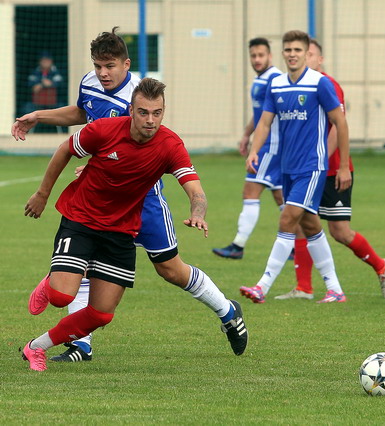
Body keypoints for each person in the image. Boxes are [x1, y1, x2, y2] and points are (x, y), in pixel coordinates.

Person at [14, 28, 247, 363]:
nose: (103, 73)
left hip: (143, 198)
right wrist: (40, 116)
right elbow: (83, 113)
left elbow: (141, 151)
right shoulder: (90, 82)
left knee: (170, 269)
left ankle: (227, 311)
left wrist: (198, 210)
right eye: (98, 66)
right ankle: (81, 344)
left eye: (109, 66)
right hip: (101, 197)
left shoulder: (139, 101)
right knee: (83, 262)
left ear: (126, 64)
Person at [274, 39, 385, 300]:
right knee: (299, 223)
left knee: (340, 232)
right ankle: (304, 288)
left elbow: (337, 127)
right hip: (307, 170)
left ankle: (381, 266)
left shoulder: (327, 84)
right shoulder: (293, 85)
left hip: (331, 170)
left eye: (310, 54)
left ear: (319, 59)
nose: (303, 57)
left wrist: (333, 164)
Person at [239, 30, 351, 304]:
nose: (292, 54)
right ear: (283, 53)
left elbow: (340, 123)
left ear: (306, 53)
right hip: (287, 169)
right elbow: (265, 122)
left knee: (287, 220)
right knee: (310, 226)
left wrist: (344, 166)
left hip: (311, 167)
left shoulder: (319, 83)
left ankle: (262, 286)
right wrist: (254, 151)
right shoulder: (276, 85)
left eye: (298, 50)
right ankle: (335, 289)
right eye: (288, 50)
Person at [212, 37, 284, 259]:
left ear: (270, 56)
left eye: (261, 55)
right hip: (268, 145)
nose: (257, 59)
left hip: (271, 146)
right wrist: (246, 135)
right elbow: (260, 114)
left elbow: (272, 117)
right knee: (282, 198)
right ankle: (297, 244)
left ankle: (238, 245)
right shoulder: (260, 79)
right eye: (253, 55)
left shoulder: (274, 79)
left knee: (250, 191)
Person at [24, 52, 64, 133]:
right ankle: (26, 133)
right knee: (26, 108)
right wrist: (43, 84)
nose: (45, 62)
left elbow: (61, 85)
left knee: (64, 108)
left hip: (54, 103)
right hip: (37, 103)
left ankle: (63, 133)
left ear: (51, 61)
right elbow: (31, 86)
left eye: (47, 60)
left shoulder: (56, 71)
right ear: (40, 61)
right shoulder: (35, 72)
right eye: (43, 60)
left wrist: (51, 84)